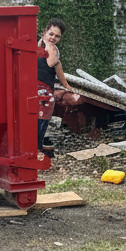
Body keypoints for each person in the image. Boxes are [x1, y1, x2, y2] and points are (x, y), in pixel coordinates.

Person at [37, 17, 79, 154]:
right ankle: (34, 146)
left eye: (57, 36)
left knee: (42, 120)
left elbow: (52, 64)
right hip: (33, 87)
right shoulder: (38, 44)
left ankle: (38, 148)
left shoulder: (53, 50)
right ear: (45, 33)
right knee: (32, 119)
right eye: (51, 34)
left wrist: (66, 85)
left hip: (45, 90)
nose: (53, 38)